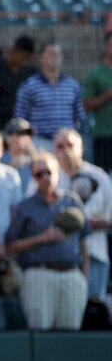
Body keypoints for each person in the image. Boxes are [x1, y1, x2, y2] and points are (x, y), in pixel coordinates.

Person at [4, 153, 89, 331]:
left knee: (71, 334)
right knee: (40, 334)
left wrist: (83, 277)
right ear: (33, 177)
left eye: (49, 172)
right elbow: (10, 246)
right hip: (38, 274)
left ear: (57, 172)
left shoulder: (72, 201)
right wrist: (42, 238)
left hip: (71, 274)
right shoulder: (25, 206)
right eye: (39, 174)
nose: (45, 178)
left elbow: (84, 241)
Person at [53, 128, 112, 300]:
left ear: (81, 147)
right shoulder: (48, 176)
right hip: (60, 259)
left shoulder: (99, 176)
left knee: (93, 313)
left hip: (95, 253)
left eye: (70, 145)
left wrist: (94, 223)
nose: (65, 150)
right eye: (60, 146)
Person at [13, 41, 84, 147]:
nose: (55, 57)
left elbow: (79, 117)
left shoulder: (73, 85)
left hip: (67, 144)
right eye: (51, 54)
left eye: (58, 54)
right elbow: (20, 119)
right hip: (40, 143)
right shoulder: (28, 86)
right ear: (40, 59)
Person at [0, 35, 36, 132]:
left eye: (27, 59)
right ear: (15, 51)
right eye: (23, 57)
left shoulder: (31, 71)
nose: (24, 62)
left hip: (19, 125)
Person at [83, 31, 112, 171]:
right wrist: (107, 94)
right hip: (104, 135)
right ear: (106, 46)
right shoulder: (96, 73)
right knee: (104, 179)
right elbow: (86, 105)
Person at [2, 118, 37, 193]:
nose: (25, 137)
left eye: (28, 134)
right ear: (8, 137)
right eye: (20, 134)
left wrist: (34, 156)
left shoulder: (33, 159)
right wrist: (9, 167)